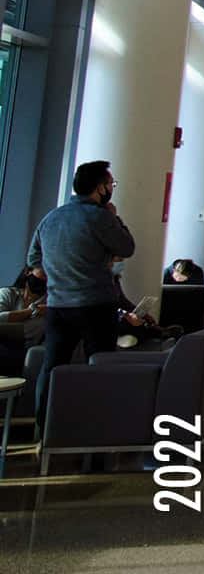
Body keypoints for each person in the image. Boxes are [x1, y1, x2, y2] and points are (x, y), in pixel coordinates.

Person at [30, 160, 135, 422]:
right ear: (100, 188)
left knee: (53, 366)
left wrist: (59, 272)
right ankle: (95, 428)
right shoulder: (100, 217)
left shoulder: (51, 218)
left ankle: (46, 427)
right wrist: (114, 218)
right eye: (111, 184)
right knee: (99, 366)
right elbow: (126, 247)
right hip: (96, 304)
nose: (112, 188)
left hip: (58, 306)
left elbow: (34, 262)